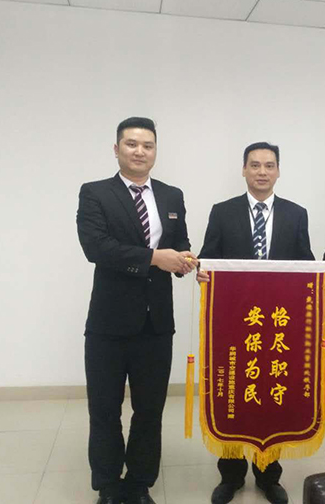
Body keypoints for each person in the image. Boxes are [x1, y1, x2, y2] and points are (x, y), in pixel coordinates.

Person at [77, 117, 198, 504]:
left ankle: (140, 481)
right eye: (131, 144)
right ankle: (108, 485)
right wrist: (154, 258)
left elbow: (179, 243)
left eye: (147, 145)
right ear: (117, 149)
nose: (140, 151)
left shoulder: (171, 195)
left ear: (155, 151)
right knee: (105, 410)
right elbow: (97, 248)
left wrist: (185, 262)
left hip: (156, 324)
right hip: (109, 324)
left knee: (149, 410)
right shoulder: (95, 193)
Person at [197, 142, 314, 504]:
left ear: (278, 171)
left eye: (269, 165)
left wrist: (322, 279)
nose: (262, 172)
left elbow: (305, 262)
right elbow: (208, 257)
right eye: (255, 165)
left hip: (278, 326)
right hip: (234, 324)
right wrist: (202, 271)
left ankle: (268, 476)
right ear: (244, 170)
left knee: (272, 393)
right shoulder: (223, 212)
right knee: (233, 392)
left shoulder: (296, 214)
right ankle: (230, 476)